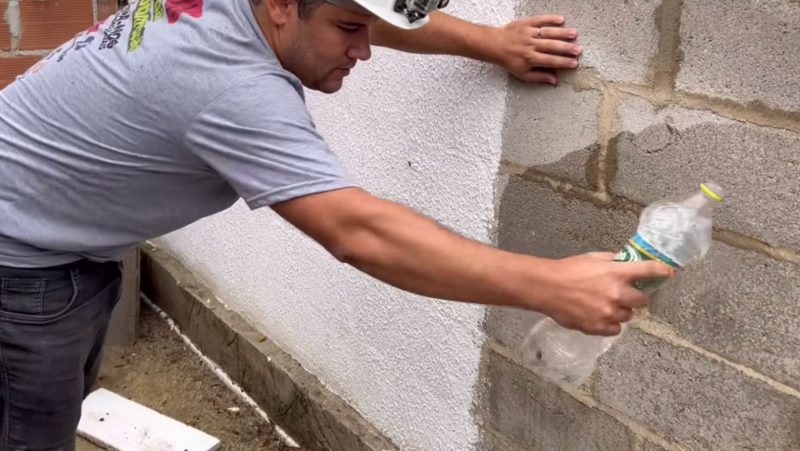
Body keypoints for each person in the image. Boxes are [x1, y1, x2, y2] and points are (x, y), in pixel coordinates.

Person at [0, 0, 673, 448]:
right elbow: (357, 231)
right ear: (283, 8)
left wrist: (490, 41)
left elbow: (370, 12)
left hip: (53, 236)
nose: (365, 51)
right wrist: (550, 284)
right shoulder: (231, 87)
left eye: (365, 27)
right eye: (348, 33)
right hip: (18, 266)